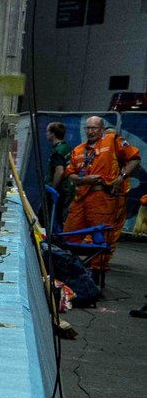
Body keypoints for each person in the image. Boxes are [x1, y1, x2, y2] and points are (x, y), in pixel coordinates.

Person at [65, 114, 140, 282]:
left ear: (101, 129)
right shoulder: (78, 150)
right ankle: (69, 271)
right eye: (88, 128)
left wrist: (121, 177)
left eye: (94, 128)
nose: (90, 131)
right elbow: (70, 173)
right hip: (80, 198)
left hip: (103, 198)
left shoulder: (113, 142)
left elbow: (134, 158)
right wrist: (81, 179)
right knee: (68, 236)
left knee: (101, 238)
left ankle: (96, 278)